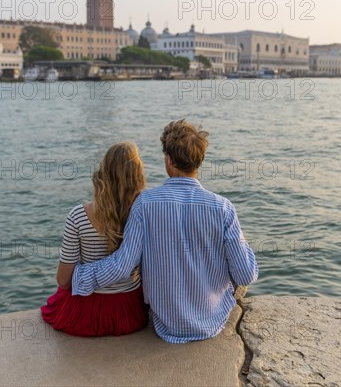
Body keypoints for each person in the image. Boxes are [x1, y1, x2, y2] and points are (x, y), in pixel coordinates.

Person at [72, 119, 259, 343]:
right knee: (235, 252)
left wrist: (80, 276)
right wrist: (242, 241)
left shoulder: (144, 204)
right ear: (199, 162)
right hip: (213, 321)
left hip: (165, 324)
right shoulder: (223, 207)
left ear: (168, 160)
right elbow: (246, 275)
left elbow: (122, 265)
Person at [41, 142, 149, 336]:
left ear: (103, 172)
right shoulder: (143, 215)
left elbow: (63, 280)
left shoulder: (78, 216)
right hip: (129, 312)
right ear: (138, 176)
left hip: (84, 313)